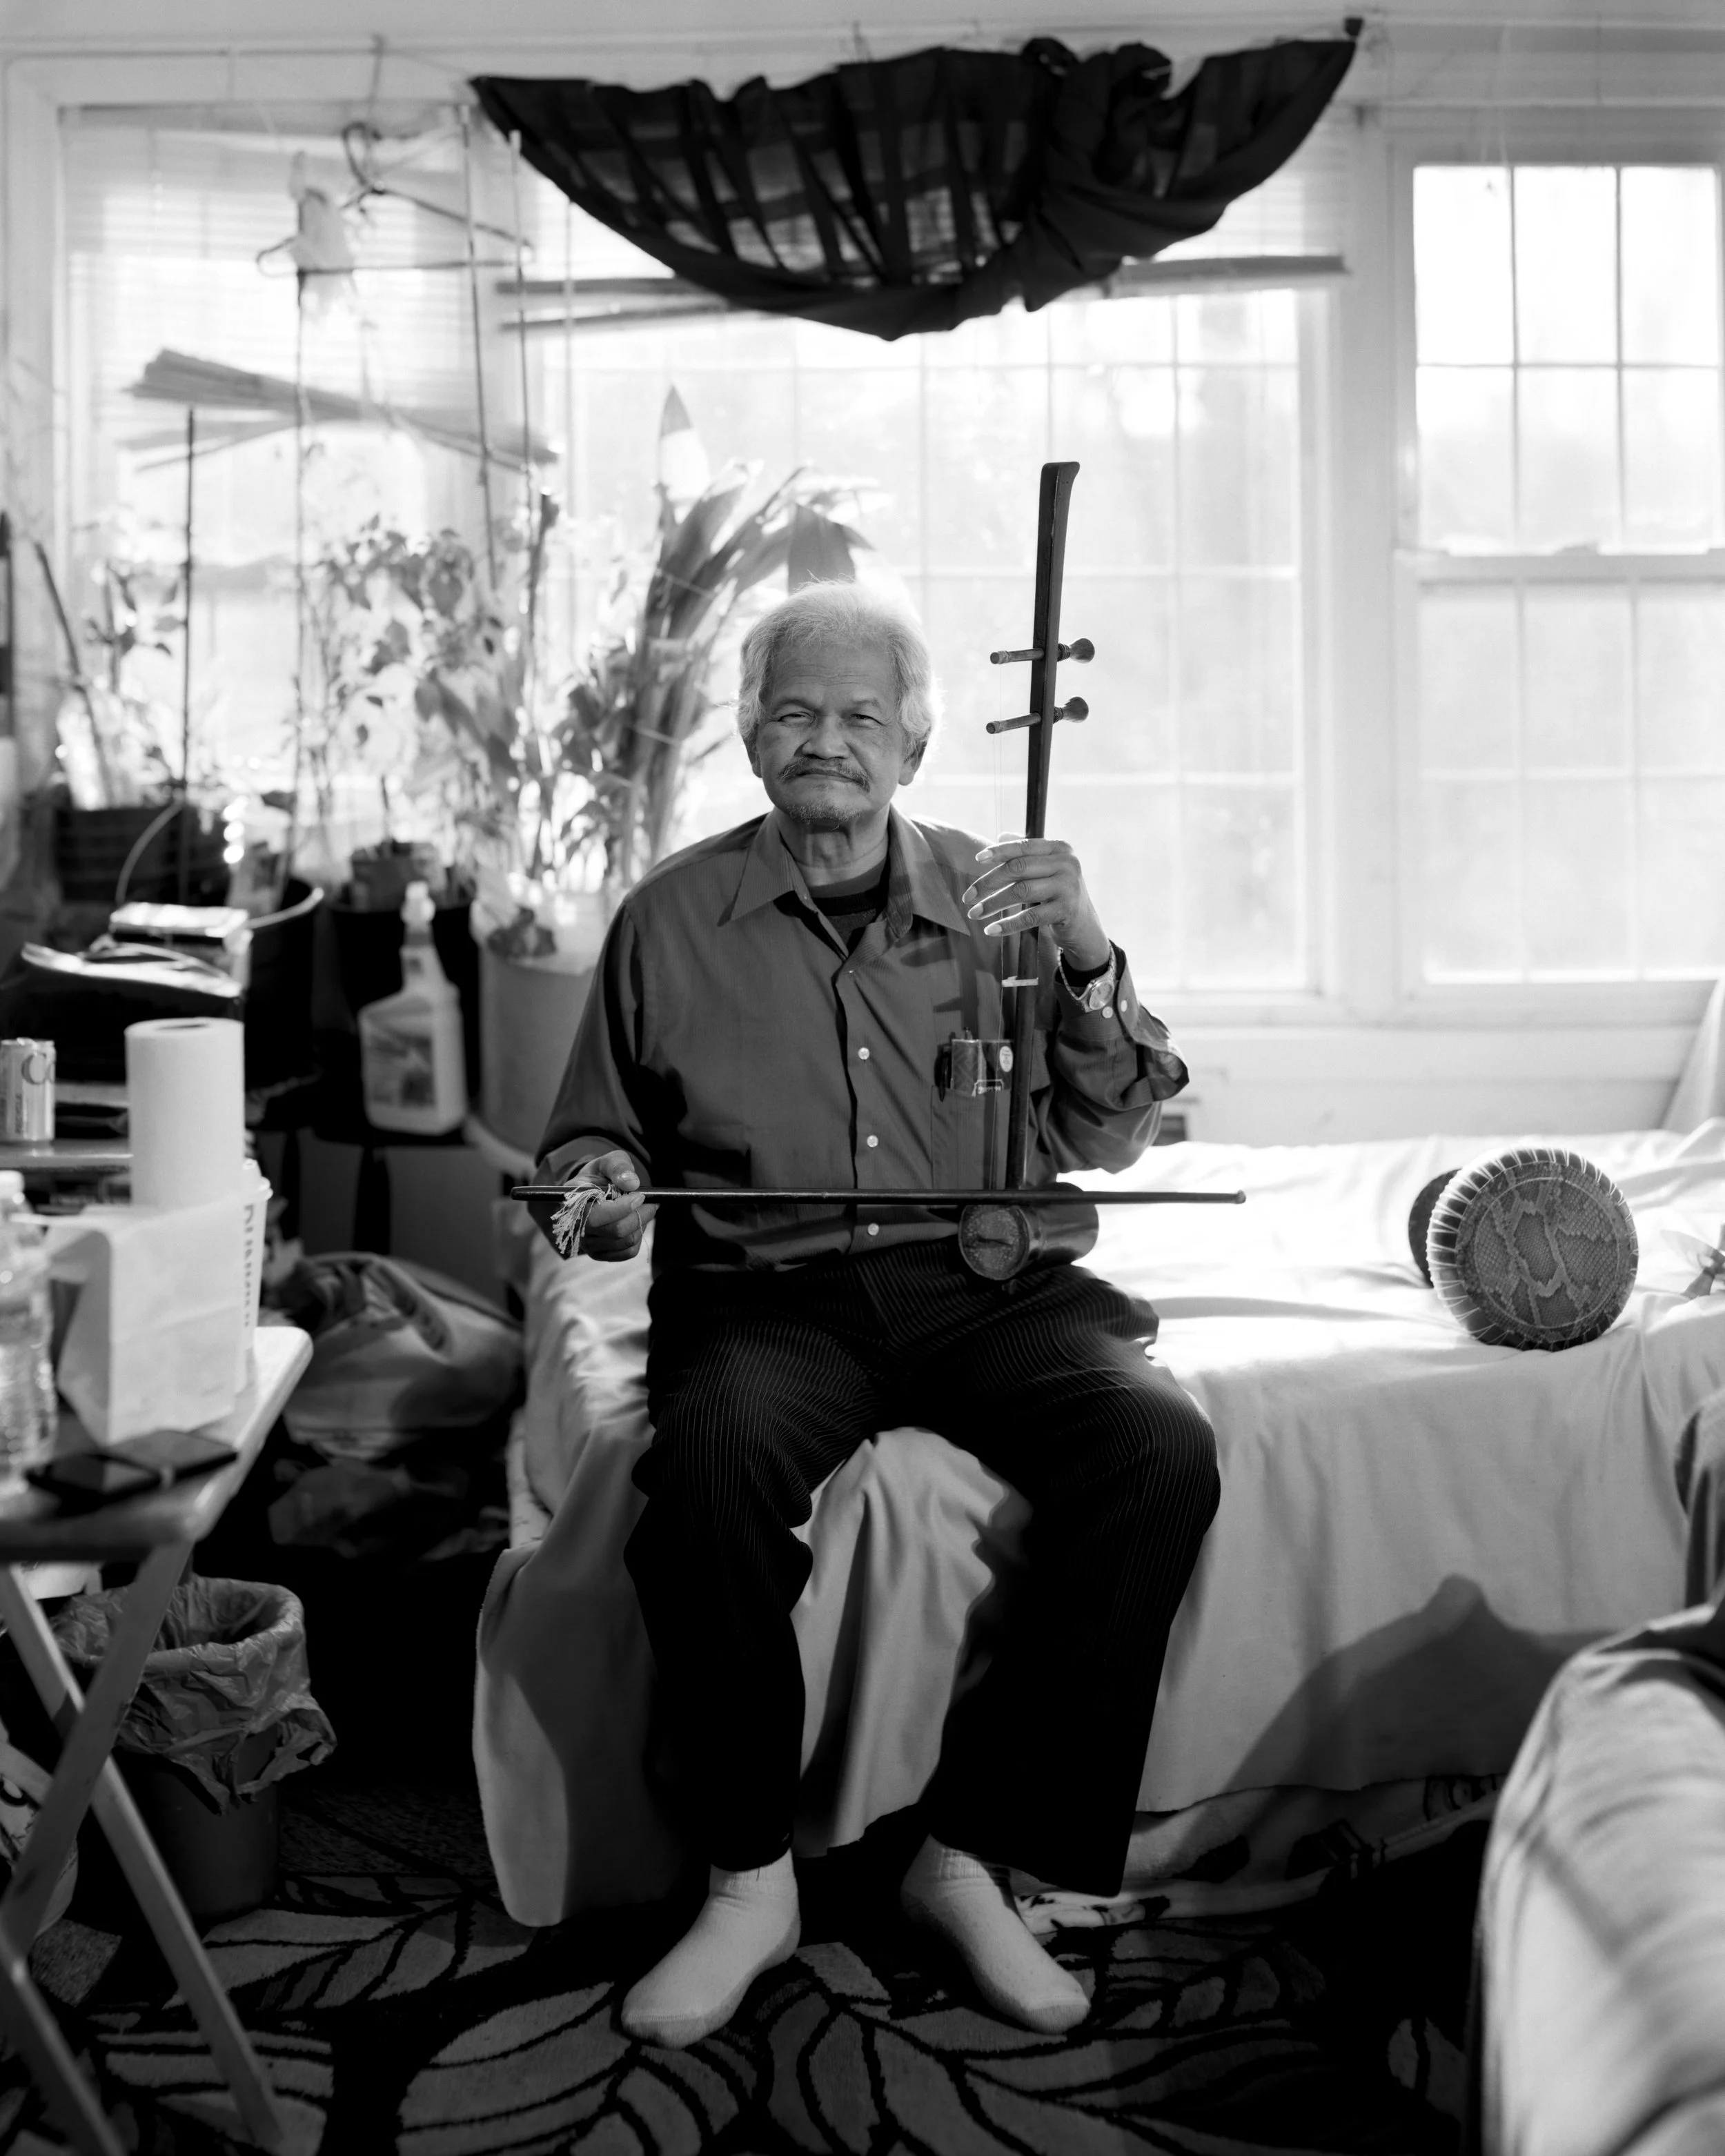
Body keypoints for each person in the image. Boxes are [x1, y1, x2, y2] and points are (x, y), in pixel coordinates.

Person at [533, 580, 1219, 2049]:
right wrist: (595, 1196)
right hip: (768, 1298)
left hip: (987, 1282)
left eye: (859, 715)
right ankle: (748, 1879)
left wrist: (1090, 955)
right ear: (750, 738)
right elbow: (587, 1153)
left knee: (1159, 1447)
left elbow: (1110, 1138)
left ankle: (965, 1853)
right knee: (707, 1468)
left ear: (913, 742)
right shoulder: (665, 921)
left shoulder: (1004, 900)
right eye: (794, 712)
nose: (825, 741)